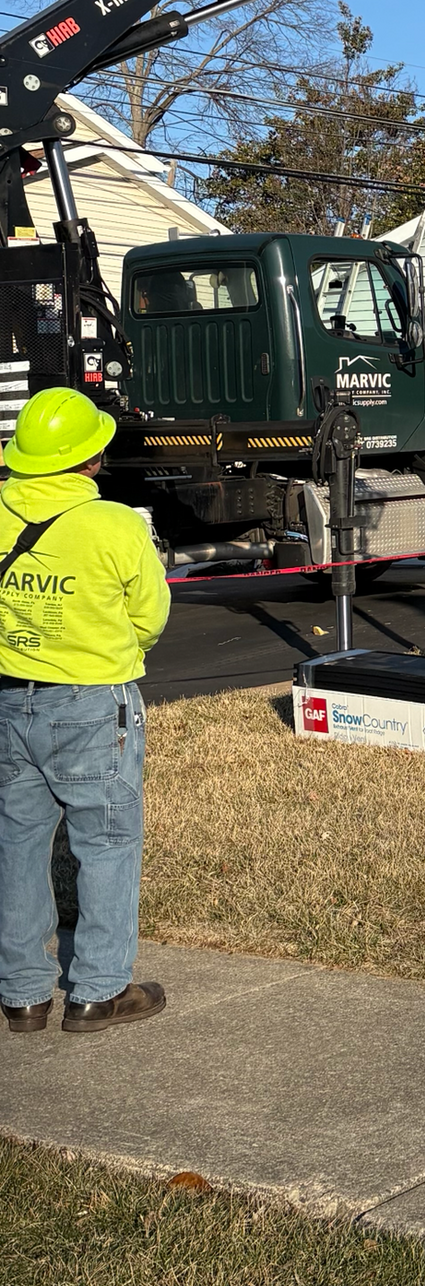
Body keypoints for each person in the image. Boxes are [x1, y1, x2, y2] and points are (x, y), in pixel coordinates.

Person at [0, 387, 170, 1037]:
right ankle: (97, 992)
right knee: (105, 844)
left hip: (13, 695)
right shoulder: (116, 525)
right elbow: (149, 618)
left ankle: (21, 994)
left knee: (17, 842)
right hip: (95, 702)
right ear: (92, 457)